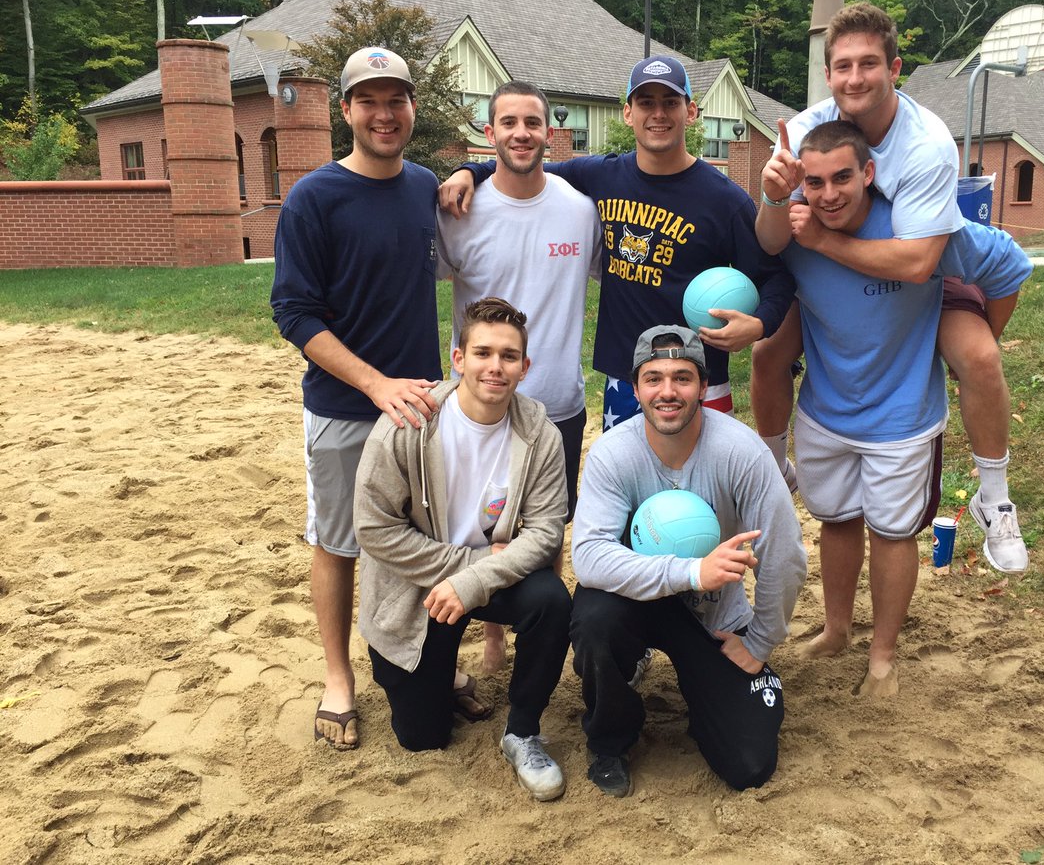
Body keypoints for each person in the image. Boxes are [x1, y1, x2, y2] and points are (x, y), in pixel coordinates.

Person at [753, 2, 1029, 574]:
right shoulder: (807, 133)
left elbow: (918, 262)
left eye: (869, 64)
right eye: (843, 66)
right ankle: (774, 467)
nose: (855, 78)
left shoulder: (926, 144)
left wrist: (934, 344)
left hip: (929, 269)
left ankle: (994, 498)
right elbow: (774, 239)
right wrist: (776, 196)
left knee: (977, 357)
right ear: (828, 74)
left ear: (895, 68)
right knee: (769, 351)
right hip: (842, 284)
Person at [782, 121, 1032, 696]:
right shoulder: (796, 228)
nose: (829, 194)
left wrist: (967, 342)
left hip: (901, 418)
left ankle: (883, 657)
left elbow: (1009, 265)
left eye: (843, 177)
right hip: (825, 409)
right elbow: (764, 265)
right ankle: (838, 629)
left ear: (869, 173)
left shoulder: (916, 226)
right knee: (837, 521)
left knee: (893, 533)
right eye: (814, 182)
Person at [439, 56, 793, 431]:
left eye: (670, 102)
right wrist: (470, 170)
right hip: (626, 379)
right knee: (625, 484)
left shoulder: (724, 199)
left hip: (697, 378)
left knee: (702, 487)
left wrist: (758, 325)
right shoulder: (602, 175)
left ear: (690, 112)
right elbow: (523, 167)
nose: (658, 113)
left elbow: (776, 276)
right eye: (646, 103)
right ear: (628, 112)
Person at [271, 46, 459, 750]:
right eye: (369, 101)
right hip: (347, 408)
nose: (385, 114)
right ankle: (338, 676)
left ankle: (423, 663)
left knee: (421, 541)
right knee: (339, 543)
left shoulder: (423, 186)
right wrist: (373, 383)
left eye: (396, 100)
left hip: (422, 409)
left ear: (411, 108)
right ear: (344, 110)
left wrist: (465, 174)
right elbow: (294, 313)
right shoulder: (314, 198)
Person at [569, 325, 806, 796]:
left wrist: (759, 644)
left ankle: (711, 696)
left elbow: (785, 553)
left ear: (703, 385)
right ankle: (610, 738)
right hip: (636, 601)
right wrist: (691, 570)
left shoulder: (741, 452)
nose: (668, 392)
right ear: (635, 388)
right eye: (653, 378)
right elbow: (589, 556)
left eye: (682, 377)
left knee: (749, 765)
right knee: (594, 619)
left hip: (715, 618)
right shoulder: (613, 454)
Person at [354, 298, 572, 801]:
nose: (495, 366)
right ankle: (442, 680)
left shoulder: (540, 433)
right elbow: (373, 530)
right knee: (423, 739)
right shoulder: (408, 423)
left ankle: (523, 732)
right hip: (417, 589)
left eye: (509, 356)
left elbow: (545, 533)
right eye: (483, 353)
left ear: (525, 367)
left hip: (490, 580)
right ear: (458, 358)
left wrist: (474, 580)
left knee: (552, 600)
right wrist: (468, 566)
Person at [437, 80, 601, 673]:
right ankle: (482, 640)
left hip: (556, 404)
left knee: (545, 529)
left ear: (549, 132)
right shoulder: (458, 210)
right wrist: (464, 173)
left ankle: (534, 642)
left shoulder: (580, 210)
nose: (521, 134)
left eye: (532, 123)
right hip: (477, 406)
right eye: (508, 123)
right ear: (491, 134)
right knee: (466, 525)